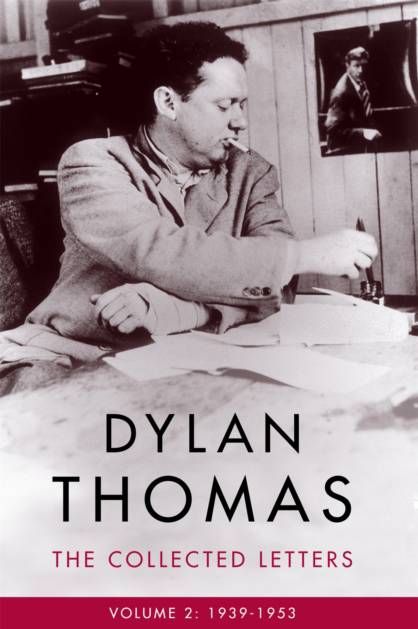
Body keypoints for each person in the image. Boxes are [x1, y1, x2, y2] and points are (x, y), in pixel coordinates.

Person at [0, 22, 377, 392]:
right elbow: (161, 251)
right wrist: (301, 255)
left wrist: (183, 311)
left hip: (184, 358)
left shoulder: (251, 173)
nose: (240, 122)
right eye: (225, 105)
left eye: (242, 105)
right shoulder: (92, 162)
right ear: (168, 102)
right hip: (71, 353)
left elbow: (278, 288)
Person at [325, 46, 382, 153]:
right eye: (356, 66)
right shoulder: (341, 93)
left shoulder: (359, 82)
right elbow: (333, 134)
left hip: (361, 148)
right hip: (344, 153)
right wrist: (365, 133)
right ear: (347, 66)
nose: (361, 70)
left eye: (364, 65)